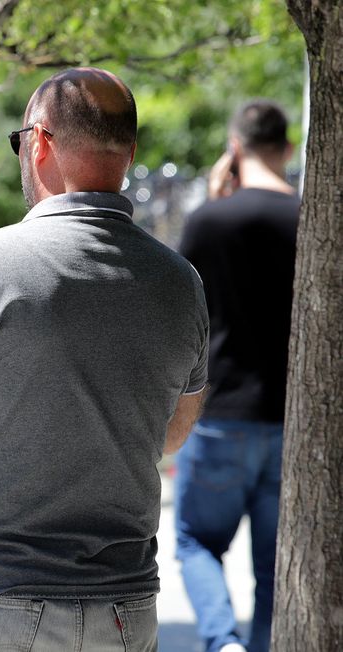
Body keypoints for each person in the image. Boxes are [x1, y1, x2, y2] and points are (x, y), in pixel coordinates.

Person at [0, 67, 209, 651]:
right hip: (124, 607)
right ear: (129, 154)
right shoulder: (180, 283)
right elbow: (170, 434)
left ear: (38, 142)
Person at [174, 100, 299, 652]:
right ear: (289, 150)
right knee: (275, 566)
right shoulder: (313, 219)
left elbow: (181, 313)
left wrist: (213, 200)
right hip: (292, 423)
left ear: (234, 148)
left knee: (196, 540)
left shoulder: (207, 222)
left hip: (220, 415)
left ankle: (222, 642)